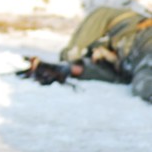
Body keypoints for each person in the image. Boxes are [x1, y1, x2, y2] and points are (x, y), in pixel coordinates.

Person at [16, 6, 152, 102]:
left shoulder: (127, 23)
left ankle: (70, 65)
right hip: (131, 52)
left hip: (138, 45)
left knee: (140, 80)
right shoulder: (118, 64)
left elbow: (101, 15)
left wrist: (72, 59)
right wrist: (70, 68)